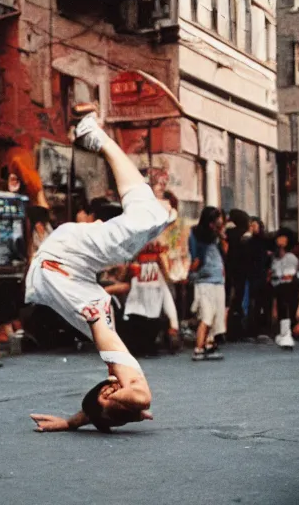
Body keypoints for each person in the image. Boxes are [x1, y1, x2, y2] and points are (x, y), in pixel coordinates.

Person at [26, 103, 168, 433]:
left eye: (113, 399)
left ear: (109, 394)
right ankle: (93, 134)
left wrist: (123, 409)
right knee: (148, 223)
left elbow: (134, 400)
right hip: (58, 273)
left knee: (151, 217)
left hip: (62, 260)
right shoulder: (119, 374)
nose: (137, 397)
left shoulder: (120, 369)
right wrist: (71, 422)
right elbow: (109, 407)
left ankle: (92, 134)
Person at [188, 206, 227, 361]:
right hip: (205, 280)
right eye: (214, 221)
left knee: (217, 314)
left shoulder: (216, 235)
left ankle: (209, 343)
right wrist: (192, 272)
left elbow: (224, 252)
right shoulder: (197, 234)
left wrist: (222, 236)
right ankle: (198, 347)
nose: (216, 224)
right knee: (207, 315)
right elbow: (196, 257)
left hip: (217, 278)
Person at [269, 228, 298, 350]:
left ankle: (286, 334)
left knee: (285, 308)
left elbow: (288, 276)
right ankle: (282, 333)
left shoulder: (291, 257)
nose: (280, 240)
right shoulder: (274, 258)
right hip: (276, 287)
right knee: (280, 311)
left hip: (288, 287)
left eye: (283, 238)